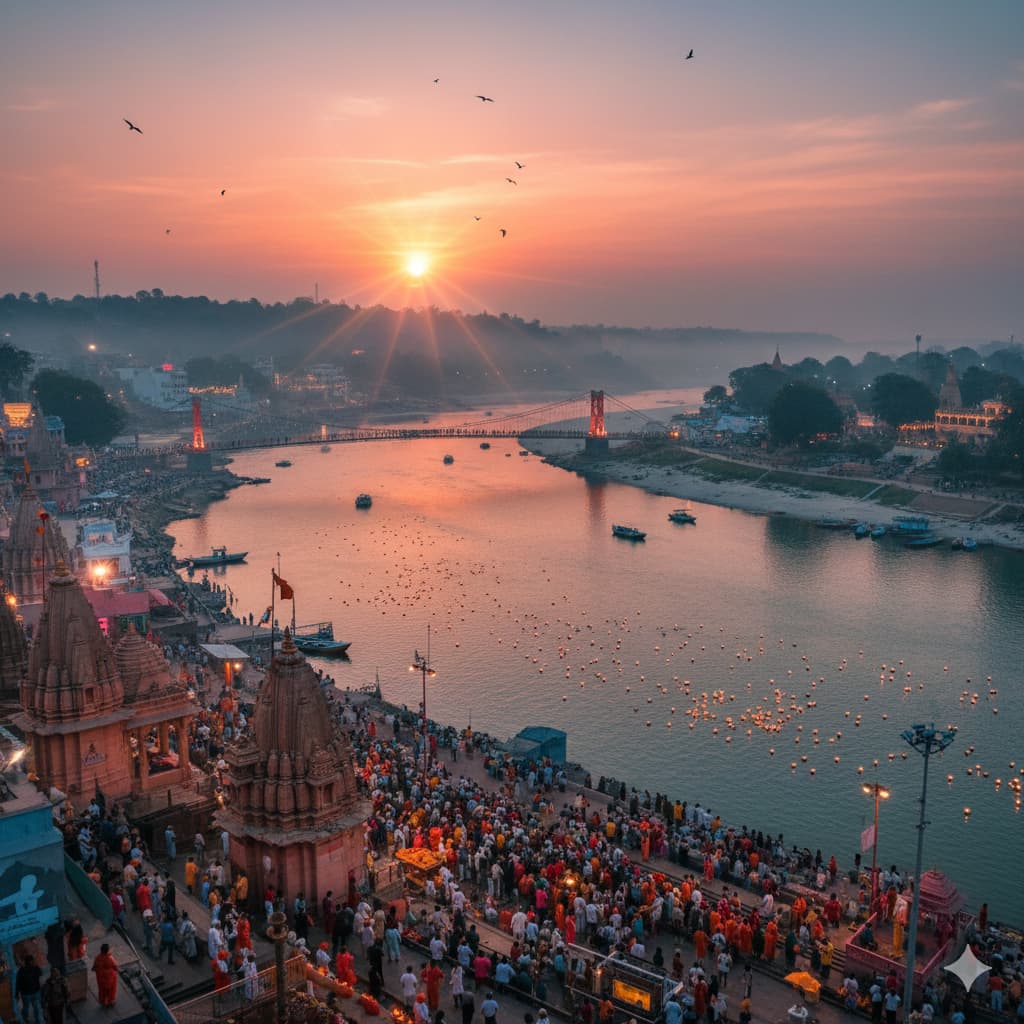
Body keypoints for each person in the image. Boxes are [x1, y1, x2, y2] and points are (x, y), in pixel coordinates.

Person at [17, 954, 44, 1024]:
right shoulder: (35, 968)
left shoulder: (21, 970)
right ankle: (37, 1021)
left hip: (26, 993)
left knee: (26, 1008)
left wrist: (17, 993)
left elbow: (18, 982)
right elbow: (41, 973)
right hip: (34, 992)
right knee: (36, 1008)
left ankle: (25, 1020)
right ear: (31, 961)